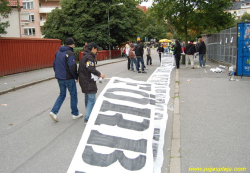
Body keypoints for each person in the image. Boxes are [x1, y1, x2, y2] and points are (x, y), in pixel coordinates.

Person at [49, 37, 82, 122]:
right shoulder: (70, 53)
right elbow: (72, 66)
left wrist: (58, 74)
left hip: (60, 78)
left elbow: (54, 64)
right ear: (72, 44)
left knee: (62, 94)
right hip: (69, 78)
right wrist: (76, 76)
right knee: (73, 94)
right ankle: (75, 113)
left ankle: (54, 112)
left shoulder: (58, 52)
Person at [78, 42, 105, 123]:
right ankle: (88, 117)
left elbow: (81, 69)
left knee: (87, 97)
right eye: (96, 49)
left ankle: (89, 113)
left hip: (83, 80)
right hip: (88, 81)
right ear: (93, 48)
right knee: (92, 99)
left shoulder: (84, 56)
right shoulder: (89, 57)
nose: (97, 51)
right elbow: (91, 68)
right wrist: (100, 74)